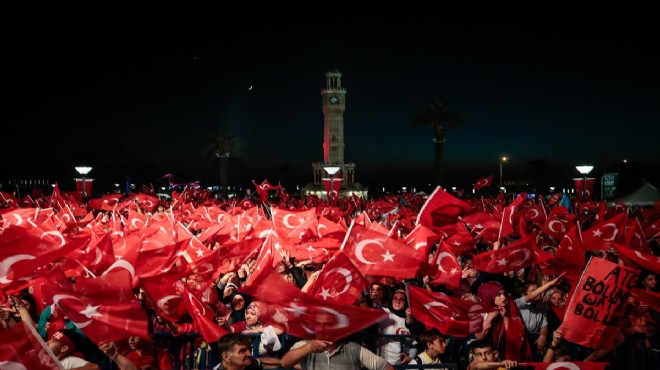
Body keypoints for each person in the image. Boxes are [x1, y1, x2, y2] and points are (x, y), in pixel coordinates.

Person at [280, 309, 395, 370]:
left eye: (328, 324)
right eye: (319, 324)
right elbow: (285, 362)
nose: (322, 328)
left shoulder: (353, 349)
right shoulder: (306, 346)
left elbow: (386, 367)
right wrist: (309, 348)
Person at [514, 273, 565, 357]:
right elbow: (530, 297)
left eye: (538, 289)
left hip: (535, 338)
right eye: (534, 290)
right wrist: (550, 284)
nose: (539, 291)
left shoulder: (541, 305)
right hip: (521, 338)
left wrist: (543, 336)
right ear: (524, 294)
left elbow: (544, 324)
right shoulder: (519, 302)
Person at [376, 288, 424, 365]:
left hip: (401, 366)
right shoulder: (384, 312)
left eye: (401, 299)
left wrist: (410, 357)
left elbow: (414, 345)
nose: (398, 301)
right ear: (391, 301)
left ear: (406, 303)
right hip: (382, 364)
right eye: (395, 298)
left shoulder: (409, 320)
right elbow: (374, 306)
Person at [210, 332, 275, 370]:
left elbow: (261, 362)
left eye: (250, 349)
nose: (250, 354)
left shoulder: (248, 364)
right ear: (226, 357)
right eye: (242, 351)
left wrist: (283, 362)